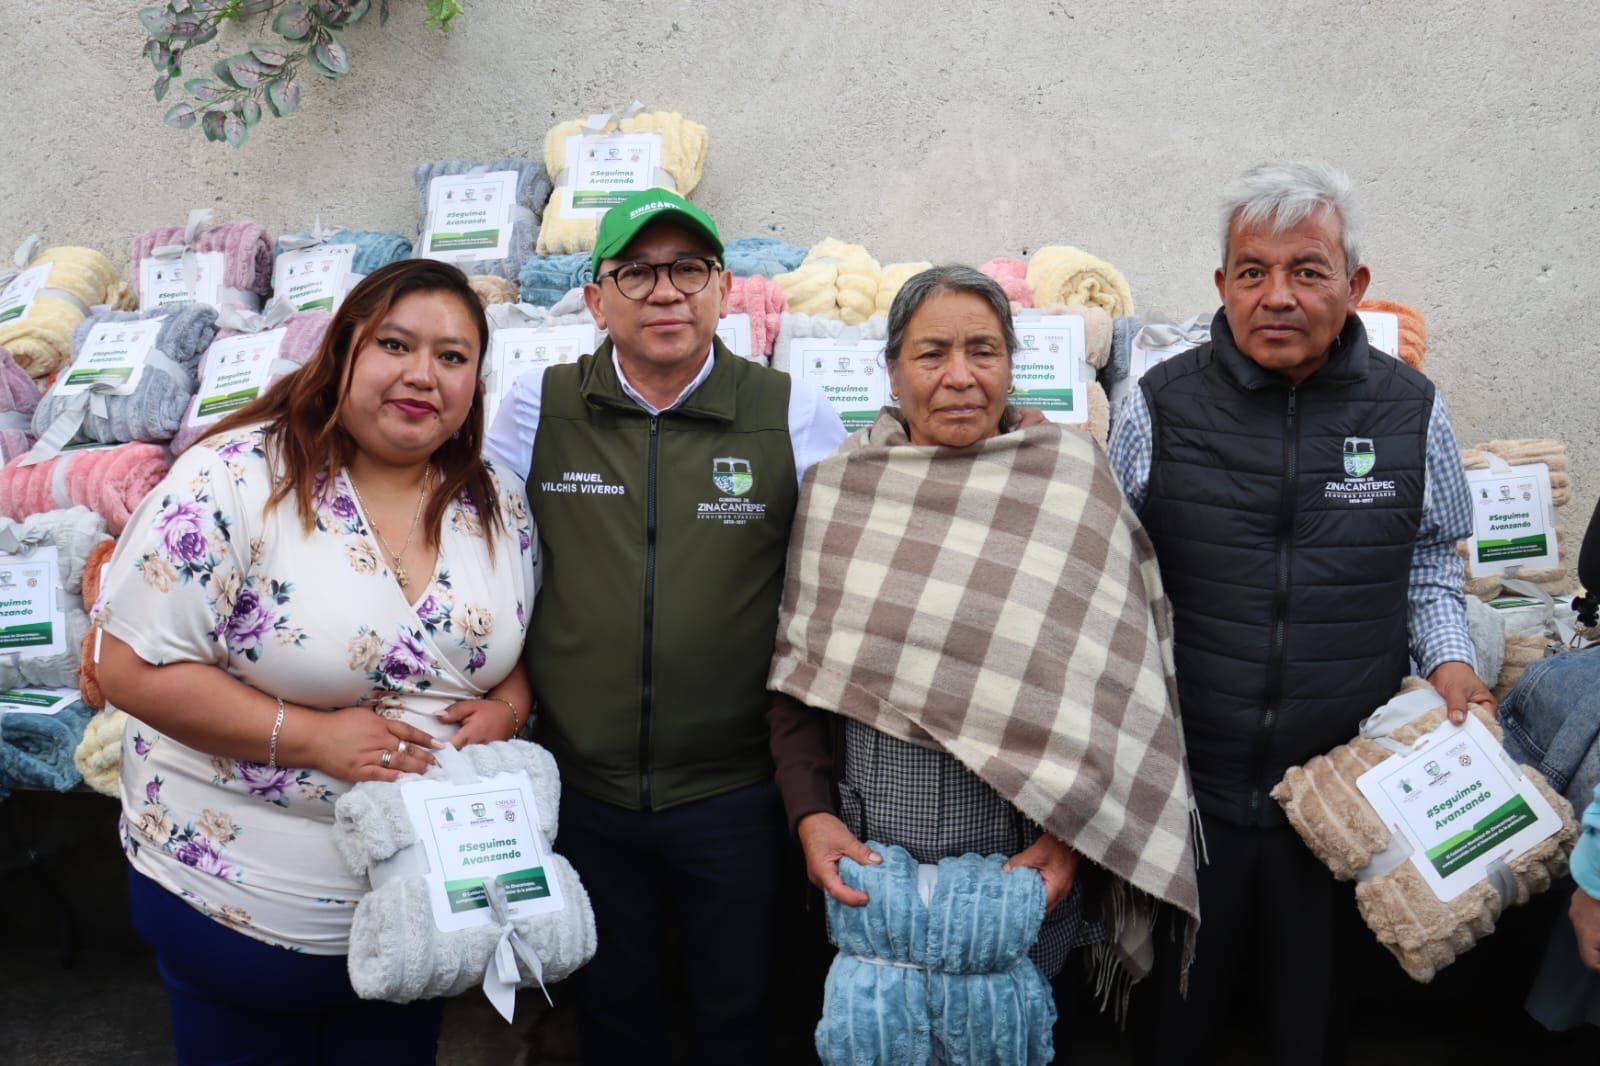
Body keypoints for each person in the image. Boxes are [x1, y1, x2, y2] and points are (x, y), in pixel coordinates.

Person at [96, 259, 539, 1065]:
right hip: (240, 903)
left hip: (421, 911)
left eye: (451, 356)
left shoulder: (495, 499)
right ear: (341, 354)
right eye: (395, 345)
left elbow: (515, 647)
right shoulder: (236, 480)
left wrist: (508, 707)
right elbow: (128, 668)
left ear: (475, 383)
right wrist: (311, 738)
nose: (422, 374)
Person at [1108, 161, 1494, 1063]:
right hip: (1190, 796)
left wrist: (1450, 664)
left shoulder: (1410, 411)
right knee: (1176, 1028)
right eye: (1253, 271)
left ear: (1354, 285)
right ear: (1223, 284)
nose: (1277, 295)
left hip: (1335, 800)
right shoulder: (1159, 405)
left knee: (1308, 1030)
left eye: (1307, 270)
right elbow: (1112, 572)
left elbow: (1429, 562)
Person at [767, 265, 1201, 1027]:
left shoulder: (1069, 480)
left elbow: (1114, 688)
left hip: (1025, 858)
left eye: (984, 351)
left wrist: (1072, 840)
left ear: (1011, 365)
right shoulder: (841, 491)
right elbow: (799, 679)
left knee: (1014, 1031)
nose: (960, 376)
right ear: (892, 372)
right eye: (932, 353)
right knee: (884, 1032)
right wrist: (811, 816)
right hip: (876, 859)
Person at [482, 187, 846, 1064]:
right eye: (637, 273)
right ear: (596, 298)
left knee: (738, 1009)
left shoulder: (789, 412)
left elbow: (844, 576)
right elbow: (485, 567)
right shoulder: (538, 410)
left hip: (734, 789)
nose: (666, 292)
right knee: (613, 1009)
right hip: (585, 788)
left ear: (722, 289)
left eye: (688, 269)